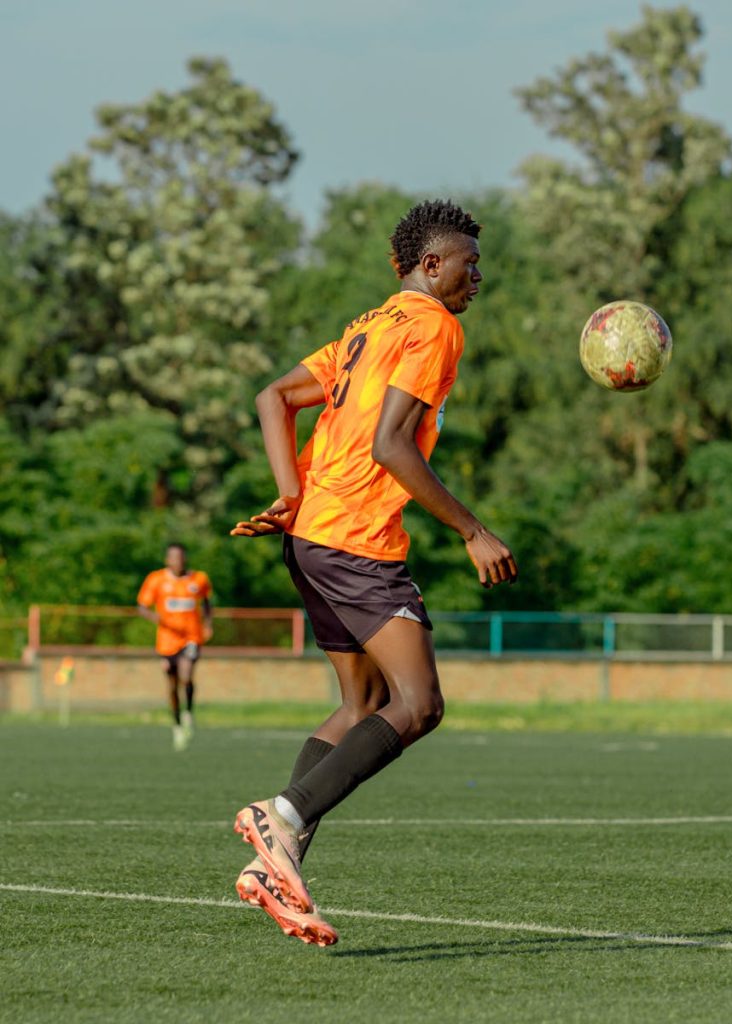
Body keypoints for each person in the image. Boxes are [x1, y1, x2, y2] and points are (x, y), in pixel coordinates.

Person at [230, 199, 518, 947]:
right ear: (431, 266)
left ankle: (278, 865)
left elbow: (273, 397)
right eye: (468, 263)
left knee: (361, 706)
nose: (475, 276)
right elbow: (393, 446)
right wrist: (473, 530)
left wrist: (290, 492)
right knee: (417, 704)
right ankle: (281, 820)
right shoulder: (432, 326)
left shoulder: (367, 327)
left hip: (312, 536)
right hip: (356, 541)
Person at [137, 543, 213, 751]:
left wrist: (208, 624)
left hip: (191, 637)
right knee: (171, 686)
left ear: (185, 558)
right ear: (167, 560)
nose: (177, 561)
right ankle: (177, 725)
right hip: (166, 640)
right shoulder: (156, 580)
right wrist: (156, 617)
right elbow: (142, 606)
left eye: (180, 557)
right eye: (173, 557)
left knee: (186, 675)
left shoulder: (199, 579)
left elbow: (206, 601)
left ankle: (188, 712)